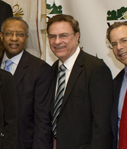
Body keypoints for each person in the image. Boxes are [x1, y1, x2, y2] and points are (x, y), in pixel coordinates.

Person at [46, 14, 112, 149]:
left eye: (63, 35)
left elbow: (102, 124)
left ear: (77, 37)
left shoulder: (96, 69)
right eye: (52, 36)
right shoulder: (52, 70)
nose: (57, 41)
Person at [0, 17, 53, 149]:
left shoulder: (40, 69)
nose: (14, 38)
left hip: (24, 144)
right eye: (9, 33)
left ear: (26, 38)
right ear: (1, 36)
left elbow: (42, 120)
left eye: (20, 34)